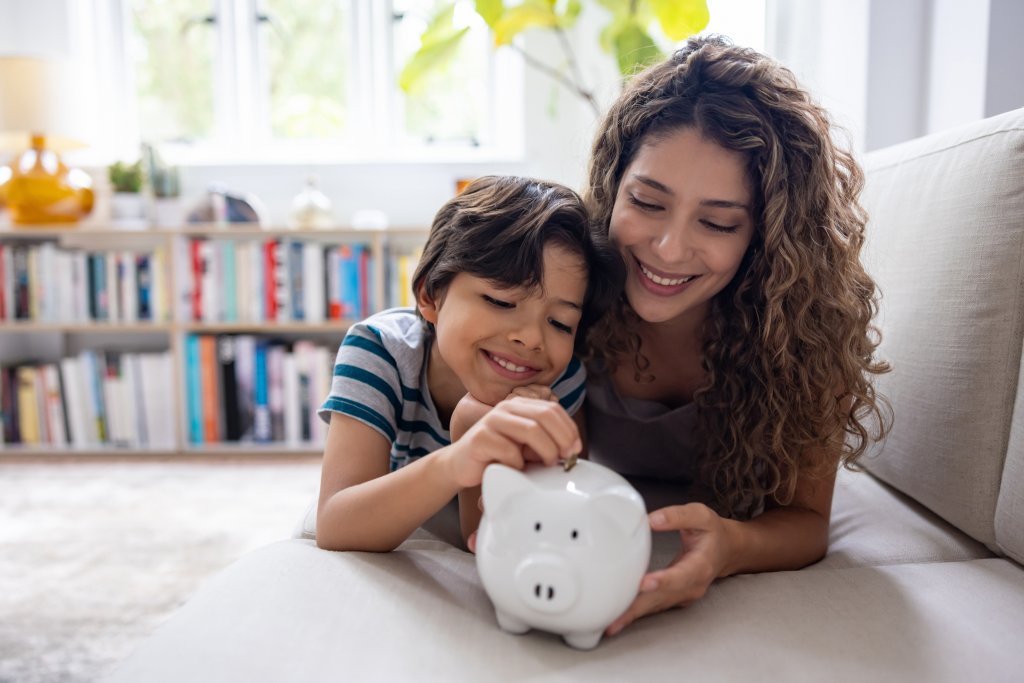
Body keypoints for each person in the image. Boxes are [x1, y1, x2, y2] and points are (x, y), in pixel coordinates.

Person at [579, 35, 892, 636]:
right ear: (614, 185)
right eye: (646, 201)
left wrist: (731, 547)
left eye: (718, 222)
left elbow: (804, 518)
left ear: (767, 234)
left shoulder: (804, 336)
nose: (669, 249)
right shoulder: (569, 289)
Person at [315, 175, 621, 552]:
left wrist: (474, 422)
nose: (532, 338)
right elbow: (335, 524)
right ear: (430, 295)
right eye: (501, 302)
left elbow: (509, 537)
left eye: (560, 323)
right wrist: (456, 461)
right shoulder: (378, 352)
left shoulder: (560, 379)